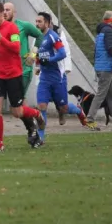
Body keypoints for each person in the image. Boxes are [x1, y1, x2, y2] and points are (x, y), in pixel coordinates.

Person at [0, 2, 45, 152]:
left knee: (17, 112)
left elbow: (16, 48)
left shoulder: (12, 28)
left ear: (2, 14)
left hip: (13, 75)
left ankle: (36, 114)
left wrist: (1, 38)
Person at [85, 11, 112, 131]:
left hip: (102, 67)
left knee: (111, 96)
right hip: (106, 68)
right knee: (101, 94)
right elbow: (110, 49)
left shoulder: (101, 32)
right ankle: (90, 119)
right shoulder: (109, 31)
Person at [35, 12, 68, 144]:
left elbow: (62, 53)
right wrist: (36, 63)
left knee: (63, 107)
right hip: (44, 78)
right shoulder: (37, 38)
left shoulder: (53, 36)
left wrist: (49, 60)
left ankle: (64, 111)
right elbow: (39, 56)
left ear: (47, 23)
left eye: (40, 22)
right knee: (42, 106)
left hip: (57, 78)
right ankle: (41, 138)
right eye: (36, 21)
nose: (37, 24)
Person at [3, 2, 43, 99]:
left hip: (23, 69)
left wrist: (33, 54)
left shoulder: (23, 25)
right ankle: (33, 114)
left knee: (18, 99)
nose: (4, 12)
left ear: (14, 12)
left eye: (7, 10)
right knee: (18, 101)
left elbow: (40, 36)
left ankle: (36, 113)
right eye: (3, 10)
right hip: (8, 70)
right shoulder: (1, 28)